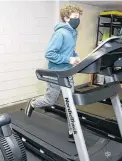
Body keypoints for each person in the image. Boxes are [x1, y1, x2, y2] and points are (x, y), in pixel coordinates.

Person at [25, 5, 83, 142]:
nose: (78, 20)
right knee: (50, 100)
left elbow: (69, 50)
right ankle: (33, 103)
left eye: (79, 17)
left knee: (70, 102)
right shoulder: (60, 33)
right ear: (66, 18)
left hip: (68, 72)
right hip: (55, 73)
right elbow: (49, 54)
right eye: (75, 17)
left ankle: (72, 131)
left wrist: (75, 56)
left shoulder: (74, 33)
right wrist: (69, 59)